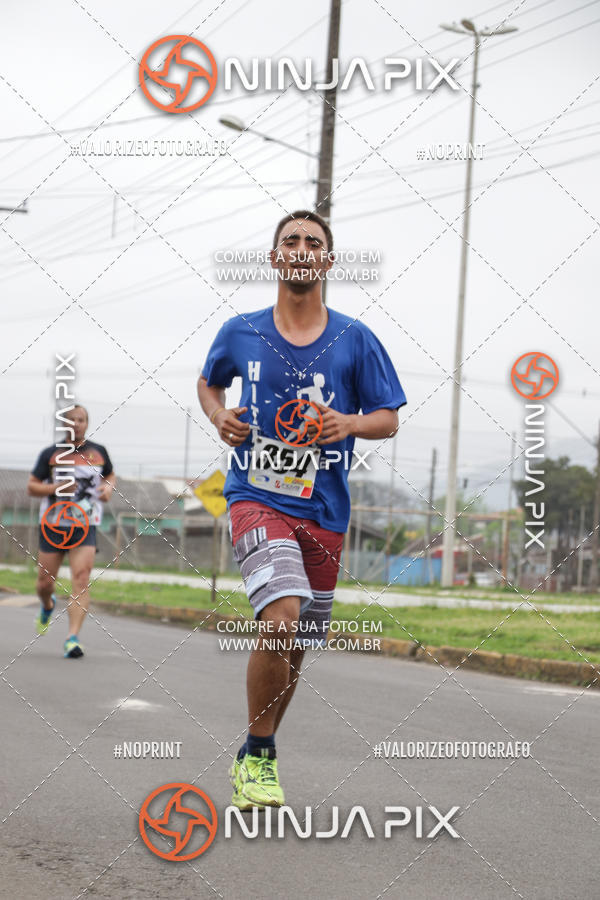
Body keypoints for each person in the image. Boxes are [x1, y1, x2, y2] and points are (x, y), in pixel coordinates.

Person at [198, 210, 406, 810]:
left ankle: (253, 750)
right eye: (290, 240)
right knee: (281, 615)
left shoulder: (354, 339)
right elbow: (209, 384)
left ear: (327, 262)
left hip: (325, 510)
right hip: (255, 497)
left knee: (296, 644)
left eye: (313, 242)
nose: (301, 248)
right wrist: (219, 416)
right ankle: (261, 756)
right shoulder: (239, 333)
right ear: (275, 258)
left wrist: (351, 422)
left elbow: (389, 416)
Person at [28, 405, 116, 658]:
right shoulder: (51, 454)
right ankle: (47, 605)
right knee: (45, 583)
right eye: (72, 420)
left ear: (87, 424)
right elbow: (32, 487)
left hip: (84, 525)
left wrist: (108, 488)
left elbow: (110, 474)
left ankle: (72, 638)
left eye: (81, 419)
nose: (76, 424)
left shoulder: (99, 453)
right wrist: (56, 487)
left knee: (81, 578)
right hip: (53, 525)